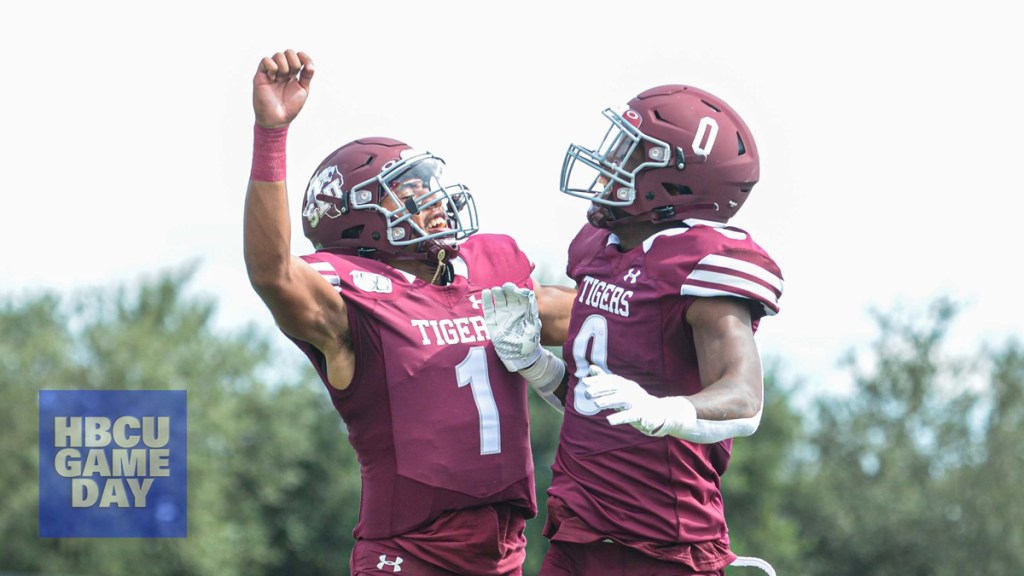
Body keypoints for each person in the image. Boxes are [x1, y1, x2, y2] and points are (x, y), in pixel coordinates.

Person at [243, 49, 573, 576]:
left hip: (503, 554)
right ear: (359, 223)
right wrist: (271, 135)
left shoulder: (490, 271)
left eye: (427, 186)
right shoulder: (352, 300)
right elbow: (272, 273)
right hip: (409, 555)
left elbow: (601, 319)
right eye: (410, 194)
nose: (434, 201)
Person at [482, 84, 784, 575]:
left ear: (676, 182)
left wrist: (667, 411)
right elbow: (605, 403)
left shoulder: (701, 262)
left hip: (662, 541)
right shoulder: (600, 250)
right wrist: (539, 368)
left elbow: (744, 400)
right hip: (578, 529)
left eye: (630, 152)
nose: (608, 163)